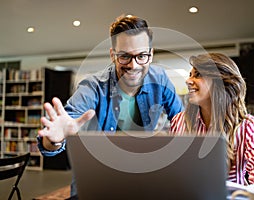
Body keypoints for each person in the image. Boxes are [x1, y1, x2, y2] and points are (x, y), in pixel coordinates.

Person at [37, 15, 183, 197]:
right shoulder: (93, 86)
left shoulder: (160, 79)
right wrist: (55, 140)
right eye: (124, 56)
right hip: (96, 182)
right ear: (113, 55)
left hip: (141, 177)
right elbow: (55, 137)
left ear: (151, 54)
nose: (133, 65)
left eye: (142, 56)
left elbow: (181, 121)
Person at [169, 52, 254, 185]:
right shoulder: (178, 121)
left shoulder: (246, 126)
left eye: (198, 75)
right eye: (190, 75)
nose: (188, 80)